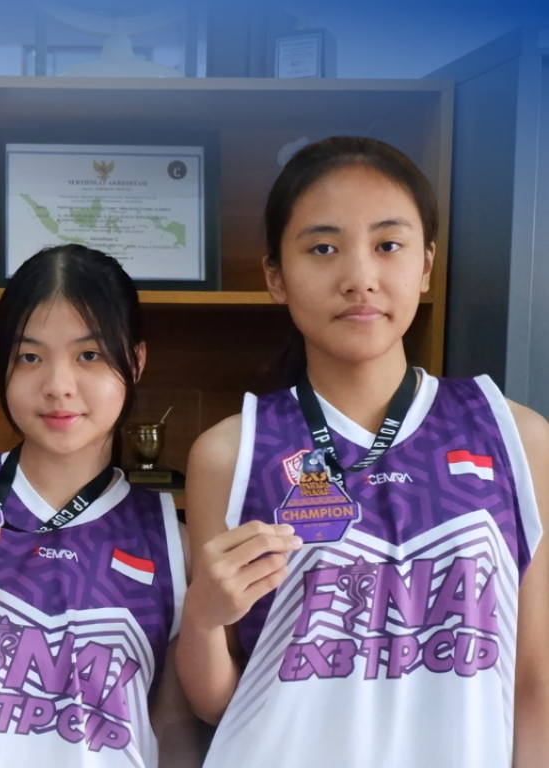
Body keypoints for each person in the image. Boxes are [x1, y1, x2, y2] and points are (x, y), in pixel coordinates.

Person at [178, 136, 549, 767]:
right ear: (276, 276)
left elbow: (534, 680)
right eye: (323, 248)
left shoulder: (513, 434)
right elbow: (217, 702)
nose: (359, 279)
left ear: (425, 265)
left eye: (388, 245)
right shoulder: (230, 452)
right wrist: (203, 617)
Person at [0, 245, 194, 767]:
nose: (58, 386)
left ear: (135, 362)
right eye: (30, 357)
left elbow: (173, 737)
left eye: (89, 355)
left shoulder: (172, 546)